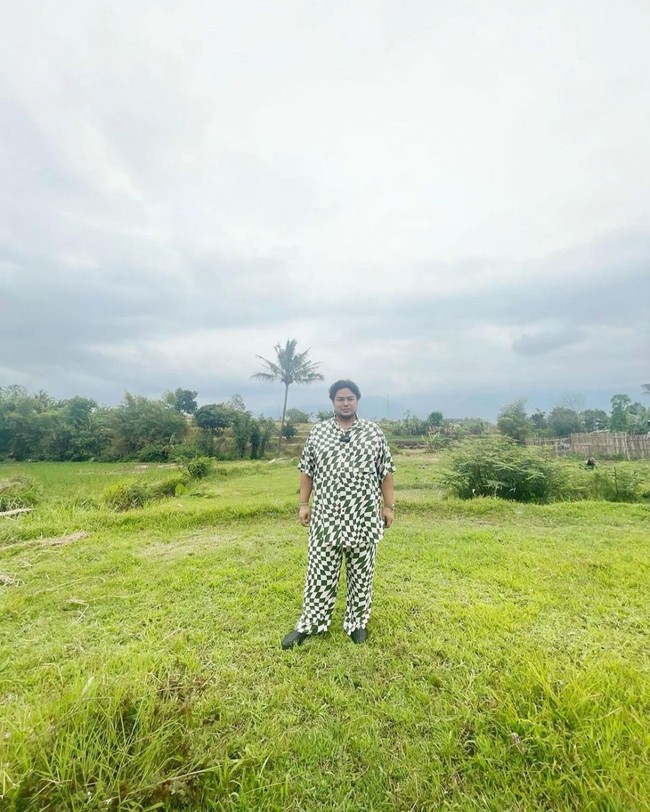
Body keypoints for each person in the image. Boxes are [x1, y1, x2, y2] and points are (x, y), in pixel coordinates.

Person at [281, 379, 395, 649]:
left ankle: (357, 623)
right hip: (327, 517)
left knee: (361, 574)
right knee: (320, 572)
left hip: (364, 516)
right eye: (340, 399)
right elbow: (306, 470)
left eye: (350, 398)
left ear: (357, 400)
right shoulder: (318, 433)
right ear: (333, 402)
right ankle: (311, 623)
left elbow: (386, 472)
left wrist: (388, 507)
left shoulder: (373, 433)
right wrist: (303, 504)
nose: (346, 403)